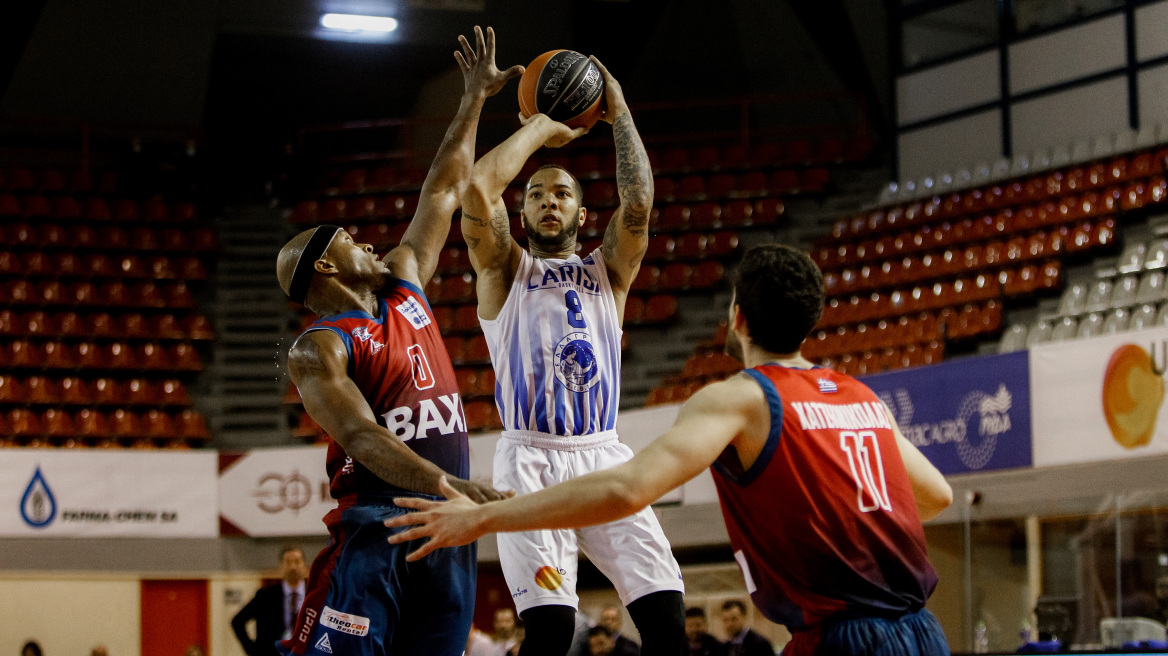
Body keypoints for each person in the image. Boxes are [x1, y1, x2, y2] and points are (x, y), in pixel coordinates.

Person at [387, 243, 955, 656]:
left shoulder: (741, 398)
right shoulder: (861, 397)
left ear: (737, 317)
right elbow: (935, 497)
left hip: (839, 636)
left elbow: (627, 489)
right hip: (923, 630)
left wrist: (484, 517)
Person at [275, 26, 522, 656]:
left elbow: (442, 189)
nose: (362, 238)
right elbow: (362, 438)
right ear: (324, 267)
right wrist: (446, 484)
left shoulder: (404, 280)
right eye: (344, 238)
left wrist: (473, 99)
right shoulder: (319, 346)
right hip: (377, 527)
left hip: (447, 523)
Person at [455, 54, 684, 656]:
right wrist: (542, 126)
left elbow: (638, 204)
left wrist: (618, 110)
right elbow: (477, 186)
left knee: (666, 620)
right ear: (523, 211)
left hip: (603, 456)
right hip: (529, 460)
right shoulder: (503, 270)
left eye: (561, 194)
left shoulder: (609, 272)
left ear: (583, 214)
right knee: (552, 631)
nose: (548, 202)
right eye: (536, 194)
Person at [231, 547, 310, 656]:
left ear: (305, 566)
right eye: (288, 562)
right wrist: (253, 651)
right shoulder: (265, 595)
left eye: (297, 562)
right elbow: (237, 621)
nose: (293, 567)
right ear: (280, 566)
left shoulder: (317, 595)